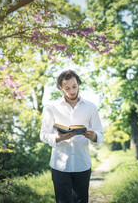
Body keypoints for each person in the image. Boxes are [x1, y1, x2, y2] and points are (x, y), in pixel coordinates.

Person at [40, 70, 103, 203]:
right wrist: (59, 138)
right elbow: (43, 134)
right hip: (59, 165)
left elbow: (99, 133)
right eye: (67, 88)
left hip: (83, 164)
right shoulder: (51, 107)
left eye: (74, 86)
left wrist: (92, 136)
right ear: (60, 88)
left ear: (78, 84)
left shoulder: (91, 107)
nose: (72, 91)